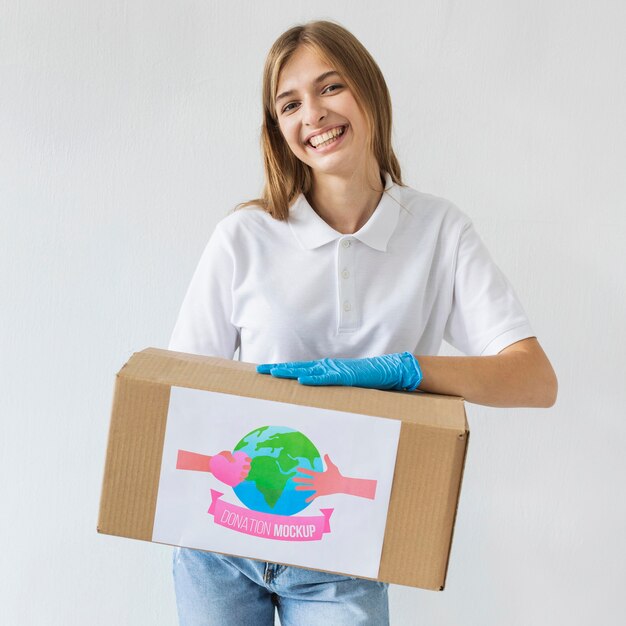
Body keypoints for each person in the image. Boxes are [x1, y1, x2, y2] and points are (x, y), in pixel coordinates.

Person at [167, 19, 557, 626]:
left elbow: (534, 380)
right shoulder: (244, 236)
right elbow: (182, 391)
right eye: (290, 103)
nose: (314, 115)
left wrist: (406, 371)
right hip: (224, 543)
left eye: (330, 88)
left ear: (369, 91)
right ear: (278, 129)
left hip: (343, 550)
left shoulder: (438, 231)